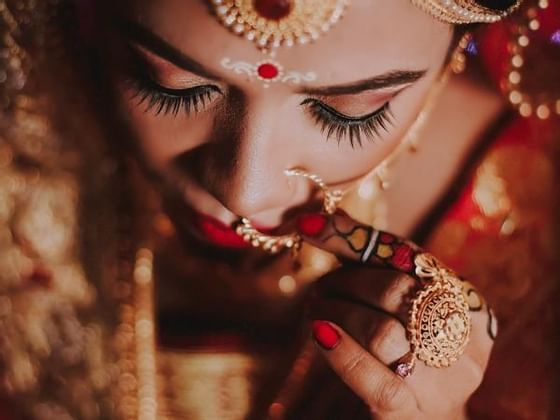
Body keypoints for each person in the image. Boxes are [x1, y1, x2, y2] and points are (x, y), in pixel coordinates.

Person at [0, 0, 559, 418]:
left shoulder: (529, 223)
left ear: (448, 60)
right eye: (172, 85)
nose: (246, 191)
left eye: (349, 114)